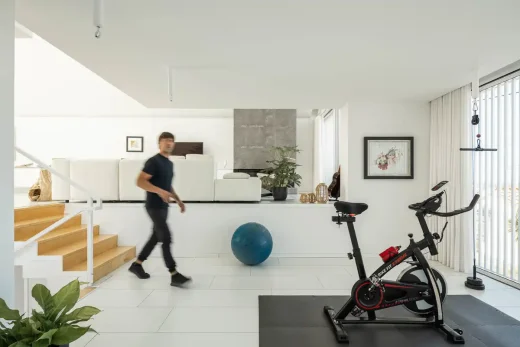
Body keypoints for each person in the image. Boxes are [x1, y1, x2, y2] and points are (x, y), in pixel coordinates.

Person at [128, 131, 191, 287]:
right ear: (159, 143)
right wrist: (158, 191)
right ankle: (174, 274)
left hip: (164, 206)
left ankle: (137, 265)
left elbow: (167, 184)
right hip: (153, 206)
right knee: (166, 237)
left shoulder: (169, 164)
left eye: (171, 140)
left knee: (155, 237)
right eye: (165, 140)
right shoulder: (153, 161)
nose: (169, 143)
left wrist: (178, 199)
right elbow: (139, 181)